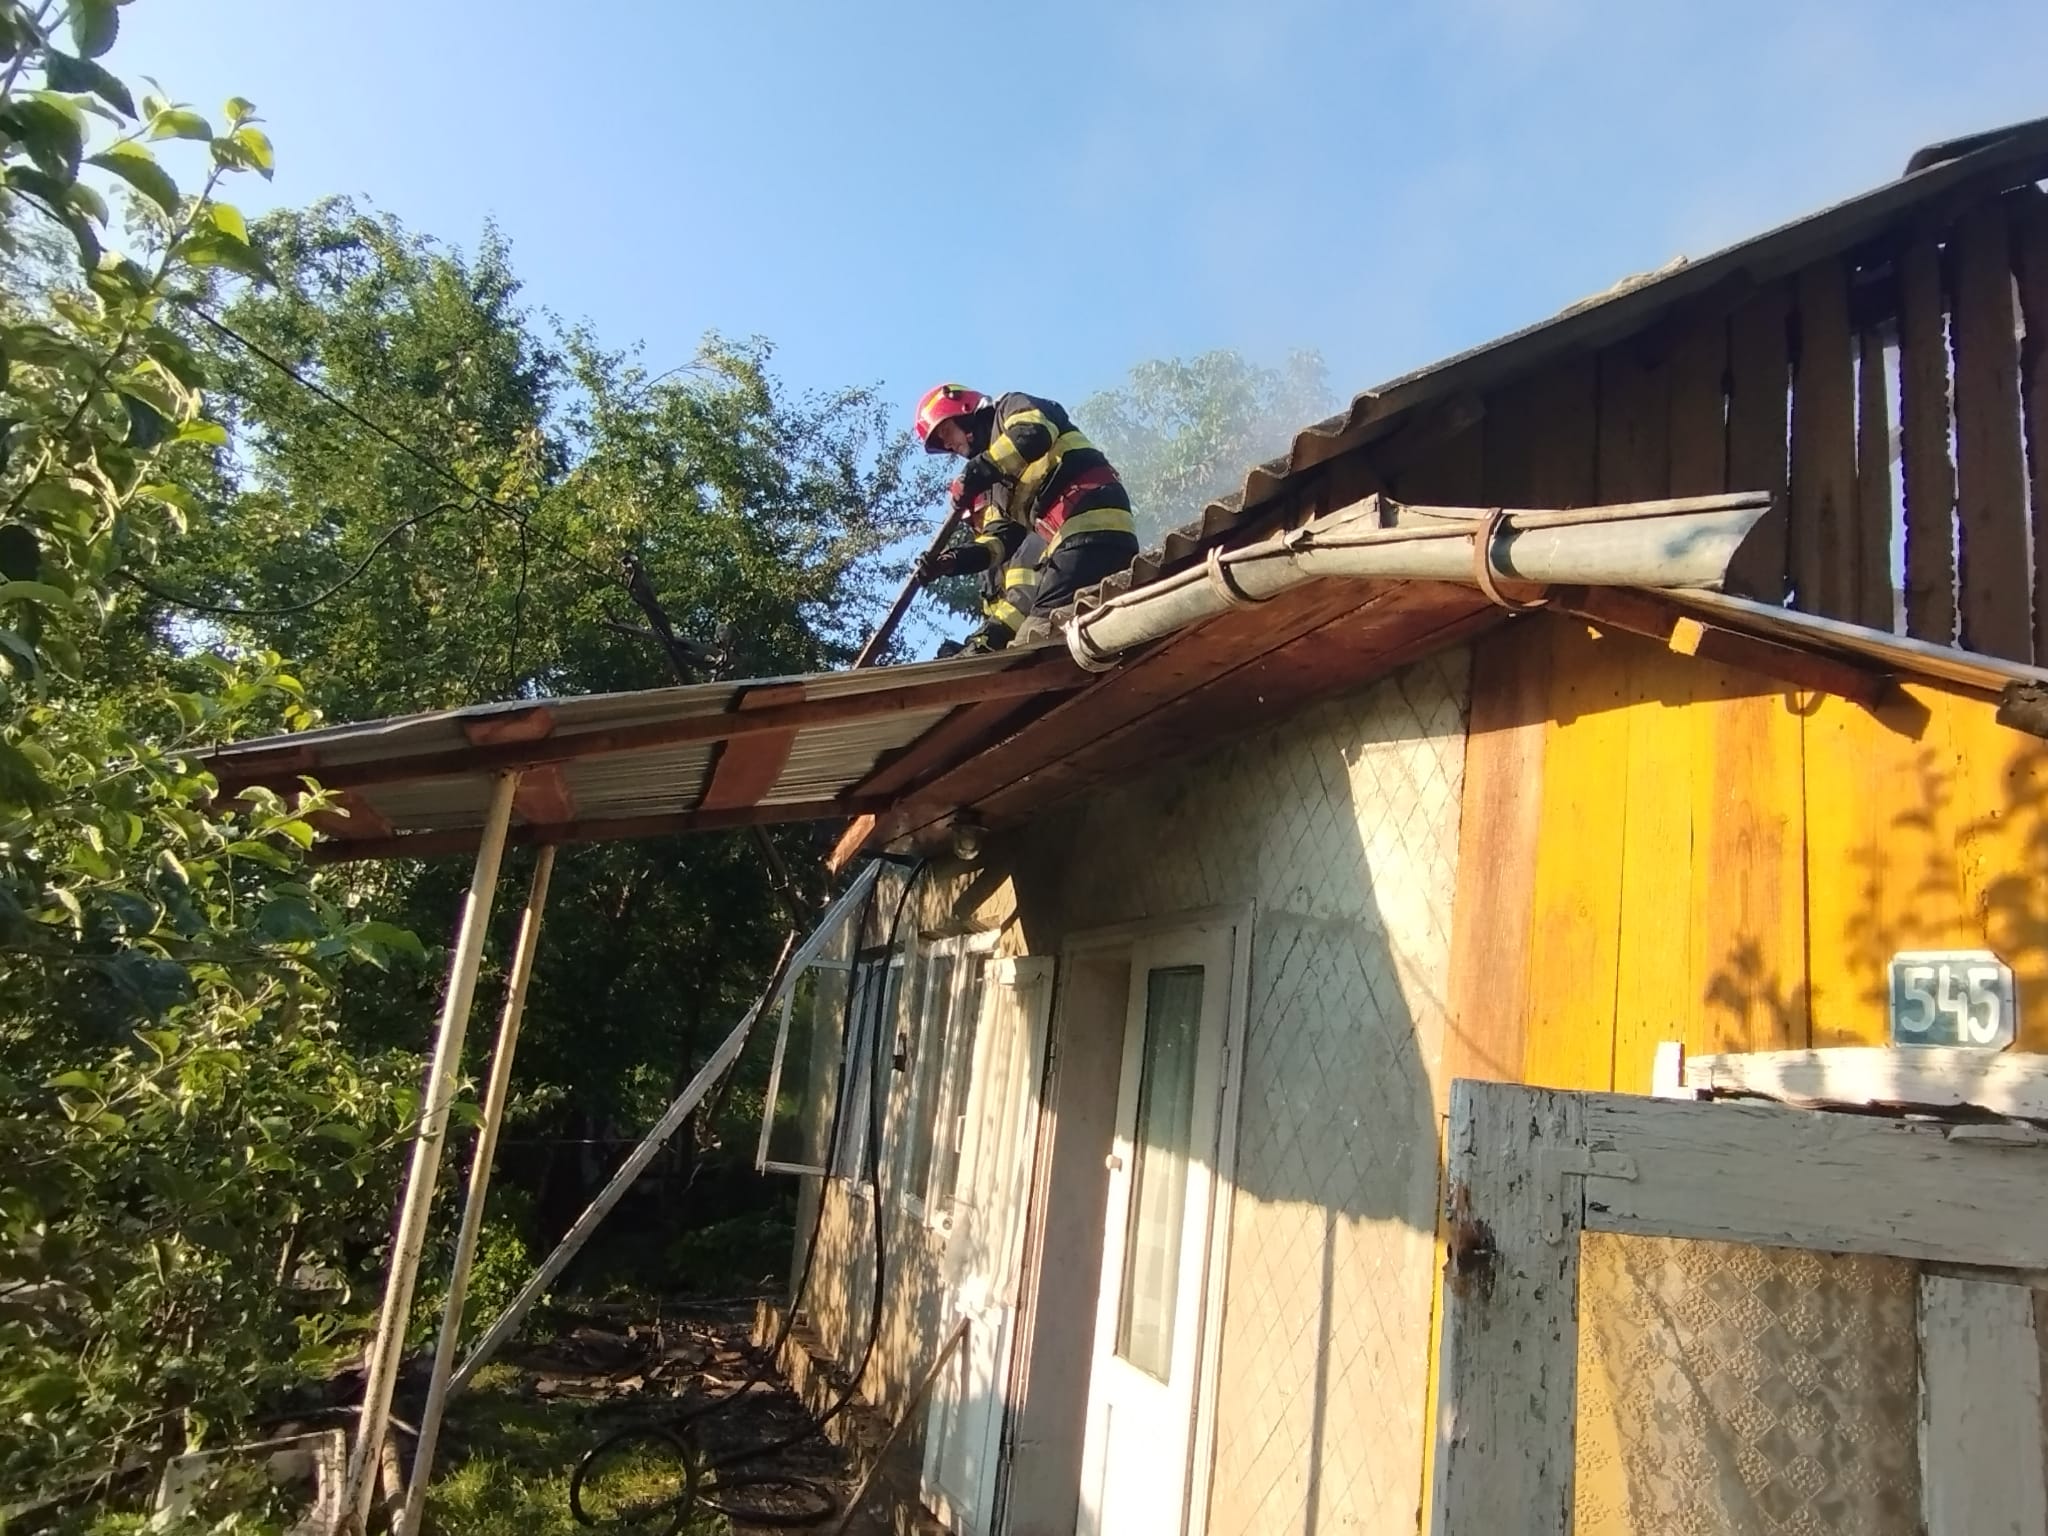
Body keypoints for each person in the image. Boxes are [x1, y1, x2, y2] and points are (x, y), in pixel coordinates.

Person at [911, 384, 1139, 648]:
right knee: (1049, 636)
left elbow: (1033, 432)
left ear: (963, 411)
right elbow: (1000, 540)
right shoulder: (997, 486)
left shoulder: (1009, 408)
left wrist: (977, 470)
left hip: (1089, 523)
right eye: (942, 444)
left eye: (945, 432)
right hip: (1075, 540)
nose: (948, 445)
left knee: (1035, 640)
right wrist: (951, 561)